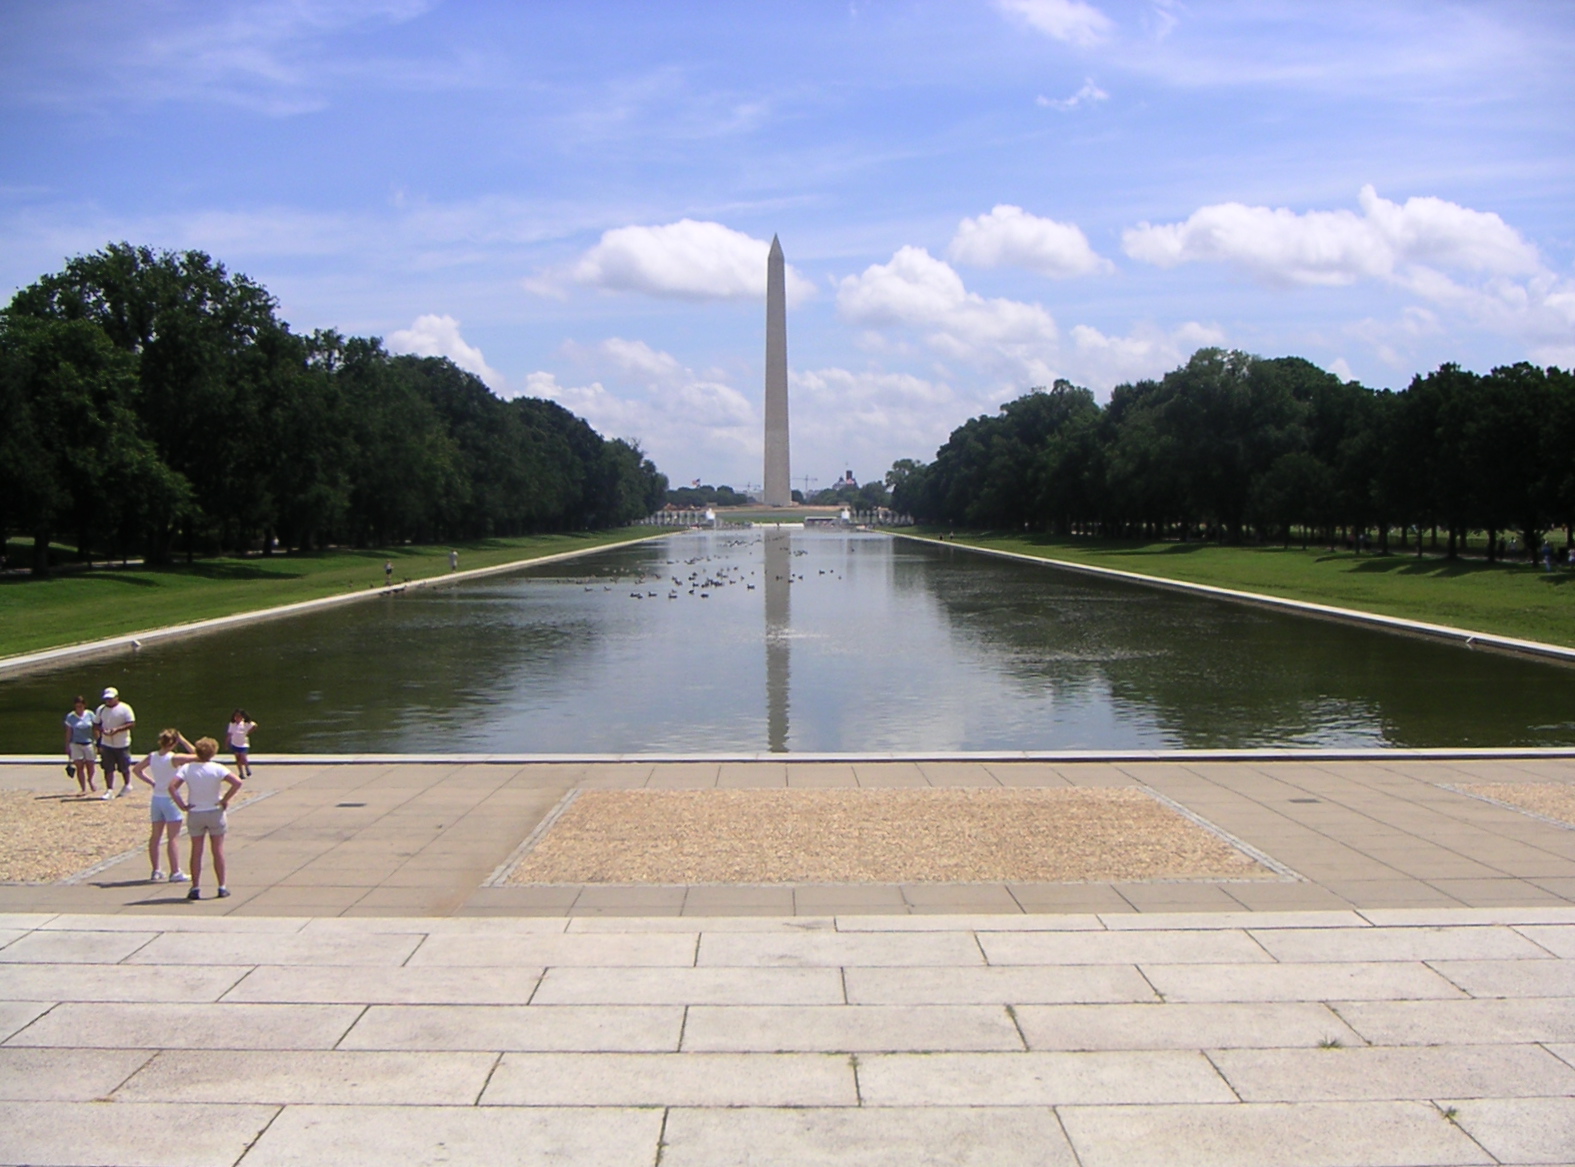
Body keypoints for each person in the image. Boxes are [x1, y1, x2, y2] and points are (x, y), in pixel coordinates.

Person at [169, 738, 242, 901]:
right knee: (217, 850)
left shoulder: (187, 768)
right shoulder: (217, 768)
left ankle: (195, 887)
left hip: (196, 811)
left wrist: (182, 804)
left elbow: (172, 786)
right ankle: (221, 886)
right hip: (214, 811)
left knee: (196, 851)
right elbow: (237, 782)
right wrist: (225, 799)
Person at [133, 729, 194, 883]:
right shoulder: (174, 758)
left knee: (155, 836)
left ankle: (156, 870)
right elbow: (198, 755)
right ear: (173, 743)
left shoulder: (153, 756)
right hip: (170, 799)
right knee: (173, 837)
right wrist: (184, 740)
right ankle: (175, 871)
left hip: (157, 799)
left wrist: (151, 782)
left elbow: (137, 770)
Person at [94, 687, 136, 799]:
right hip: (106, 743)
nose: (108, 701)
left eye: (111, 699)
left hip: (122, 743)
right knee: (108, 767)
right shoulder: (101, 709)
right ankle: (109, 789)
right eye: (107, 699)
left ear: (117, 698)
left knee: (124, 766)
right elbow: (96, 724)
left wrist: (117, 729)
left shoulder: (125, 708)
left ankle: (127, 784)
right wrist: (102, 731)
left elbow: (131, 723)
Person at [62, 696, 99, 795]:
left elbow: (95, 729)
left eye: (81, 706)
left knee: (90, 765)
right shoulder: (71, 717)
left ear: (84, 706)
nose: (79, 708)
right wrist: (67, 745)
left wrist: (98, 741)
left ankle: (90, 780)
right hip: (76, 743)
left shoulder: (90, 714)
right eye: (77, 706)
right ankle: (83, 788)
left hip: (89, 743)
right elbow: (69, 732)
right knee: (79, 766)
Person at [225, 709, 257, 778]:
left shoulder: (245, 723)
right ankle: (241, 773)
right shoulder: (232, 724)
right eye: (236, 717)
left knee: (243, 756)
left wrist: (248, 732)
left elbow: (254, 725)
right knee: (238, 758)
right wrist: (227, 743)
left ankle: (247, 768)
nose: (237, 718)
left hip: (243, 744)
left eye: (239, 717)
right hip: (235, 743)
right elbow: (229, 734)